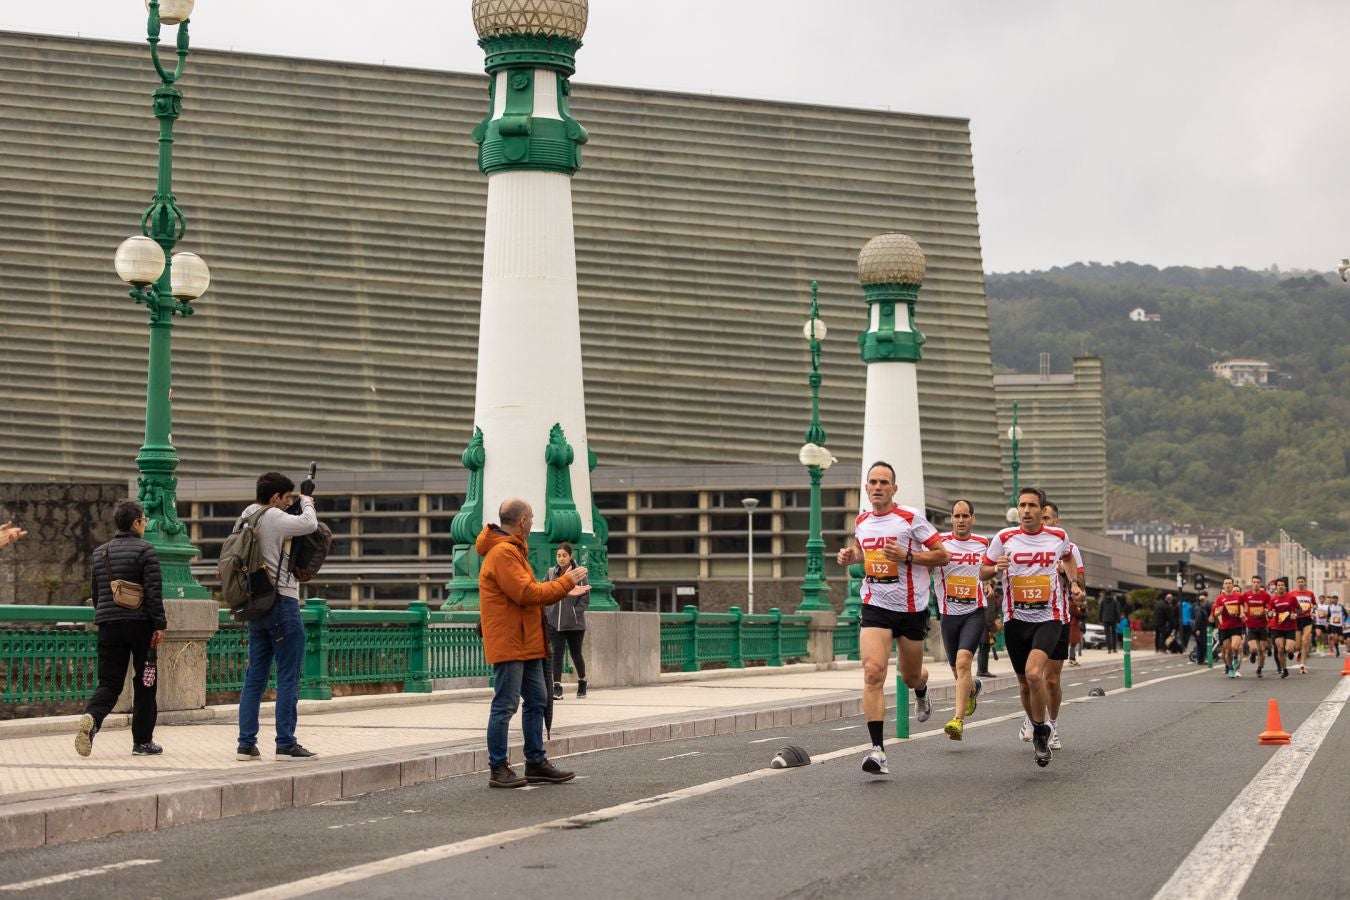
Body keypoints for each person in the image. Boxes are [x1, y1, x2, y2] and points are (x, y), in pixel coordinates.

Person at [836, 461, 949, 776]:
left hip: (911, 609)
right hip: (875, 605)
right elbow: (862, 551)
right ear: (866, 487)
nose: (877, 487)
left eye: (884, 482)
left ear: (894, 488)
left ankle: (921, 688)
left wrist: (908, 556)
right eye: (873, 482)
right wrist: (851, 556)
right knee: (873, 672)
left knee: (910, 676)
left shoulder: (911, 518)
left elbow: (942, 555)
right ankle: (878, 751)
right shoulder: (862, 520)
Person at [479, 498, 588, 789]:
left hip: (526, 639)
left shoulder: (514, 550)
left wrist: (562, 589)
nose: (532, 522)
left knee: (538, 700)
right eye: (531, 518)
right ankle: (498, 767)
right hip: (511, 640)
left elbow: (530, 590)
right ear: (523, 521)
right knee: (506, 704)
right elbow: (526, 593)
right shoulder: (503, 552)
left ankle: (535, 762)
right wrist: (565, 583)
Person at [980, 485, 1078, 768]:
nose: (1025, 510)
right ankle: (1038, 727)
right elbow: (982, 571)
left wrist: (1073, 583)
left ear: (1041, 509)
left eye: (1031, 505)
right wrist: (995, 568)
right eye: (1021, 505)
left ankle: (1041, 734)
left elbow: (1069, 557)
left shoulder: (1057, 537)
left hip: (1048, 617)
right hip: (1016, 620)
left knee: (1036, 674)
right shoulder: (1004, 538)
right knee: (1024, 684)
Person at [236, 472, 320, 762]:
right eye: (287, 498)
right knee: (288, 675)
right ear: (275, 497)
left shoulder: (245, 516)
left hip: (255, 605)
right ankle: (285, 743)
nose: (288, 503)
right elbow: (310, 524)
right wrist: (306, 500)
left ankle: (246, 744)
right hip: (281, 602)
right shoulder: (273, 516)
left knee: (254, 679)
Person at [74, 500, 167, 757]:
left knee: (109, 682)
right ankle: (142, 742)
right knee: (146, 682)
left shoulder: (100, 553)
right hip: (141, 626)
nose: (145, 523)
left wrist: (106, 616)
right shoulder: (146, 551)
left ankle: (92, 717)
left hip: (109, 625)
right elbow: (153, 592)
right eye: (144, 520)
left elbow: (96, 593)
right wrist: (160, 624)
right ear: (136, 523)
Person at [933, 499, 989, 741]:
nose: (961, 520)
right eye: (957, 516)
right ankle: (973, 688)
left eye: (965, 516)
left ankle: (958, 720)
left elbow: (988, 568)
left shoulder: (983, 543)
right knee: (958, 671)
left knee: (964, 661)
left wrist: (988, 582)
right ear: (951, 519)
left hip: (974, 612)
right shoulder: (939, 543)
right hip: (948, 614)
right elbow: (923, 563)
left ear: (973, 518)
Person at [1037, 500, 1083, 749]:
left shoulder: (1069, 549)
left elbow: (1082, 588)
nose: (1042, 522)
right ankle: (1034, 720)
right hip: (1025, 619)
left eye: (1047, 518)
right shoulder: (1020, 543)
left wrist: (1066, 575)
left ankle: (1052, 726)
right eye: (1040, 517)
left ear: (1057, 521)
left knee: (1051, 680)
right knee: (1031, 677)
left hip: (1057, 618)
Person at [544, 541, 591, 700]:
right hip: (554, 623)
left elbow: (585, 599)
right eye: (558, 555)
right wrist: (547, 612)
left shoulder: (579, 573)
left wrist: (574, 613)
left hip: (574, 624)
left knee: (575, 653)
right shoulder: (551, 573)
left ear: (570, 556)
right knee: (556, 654)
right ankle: (556, 687)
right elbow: (544, 591)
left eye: (564, 555)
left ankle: (582, 681)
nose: (561, 558)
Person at [1210, 578, 1245, 677]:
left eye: (1229, 583)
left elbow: (1243, 606)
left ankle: (1235, 658)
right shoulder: (1220, 598)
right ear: (1223, 585)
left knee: (1235, 647)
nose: (1228, 585)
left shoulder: (1238, 596)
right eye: (1226, 583)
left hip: (1236, 626)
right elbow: (1216, 613)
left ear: (1232, 585)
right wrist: (1219, 612)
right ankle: (1230, 668)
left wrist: (1242, 613)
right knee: (1228, 650)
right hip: (1225, 627)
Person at [1268, 577, 1298, 679]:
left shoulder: (1291, 598)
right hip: (1277, 627)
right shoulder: (1273, 599)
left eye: (1282, 585)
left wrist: (1295, 614)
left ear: (1285, 587)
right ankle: (1284, 670)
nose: (1280, 587)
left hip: (1290, 627)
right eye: (1278, 585)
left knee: (1288, 648)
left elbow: (1299, 609)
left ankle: (1290, 651)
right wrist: (1269, 614)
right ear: (1276, 587)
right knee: (1280, 649)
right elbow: (1269, 612)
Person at [1242, 576, 1271, 678]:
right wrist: (1243, 613)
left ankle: (1259, 669)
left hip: (1262, 626)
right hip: (1251, 626)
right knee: (1254, 648)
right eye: (1254, 582)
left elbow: (1270, 607)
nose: (1256, 584)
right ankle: (1253, 654)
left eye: (1258, 582)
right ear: (1252, 583)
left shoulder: (1266, 595)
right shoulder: (1246, 595)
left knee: (1262, 650)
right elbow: (1241, 605)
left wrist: (1268, 611)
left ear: (1260, 583)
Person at [1288, 575, 1316, 674]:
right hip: (1297, 619)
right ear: (1297, 583)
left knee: (1305, 641)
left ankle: (1302, 665)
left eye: (1302, 582)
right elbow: (1289, 605)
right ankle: (1299, 652)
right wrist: (1292, 614)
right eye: (1299, 582)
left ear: (1305, 583)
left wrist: (1313, 611)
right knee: (1297, 646)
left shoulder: (1310, 593)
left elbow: (1314, 604)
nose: (1300, 583)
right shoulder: (1292, 594)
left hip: (1307, 619)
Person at [1192, 593, 1210, 666]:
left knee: (1202, 644)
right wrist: (1197, 629)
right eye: (1205, 601)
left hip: (1202, 629)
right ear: (1202, 601)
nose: (1206, 602)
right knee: (1201, 645)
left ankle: (1201, 659)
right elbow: (1198, 619)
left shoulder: (1201, 608)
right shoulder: (1199, 609)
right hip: (1201, 629)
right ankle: (1200, 659)